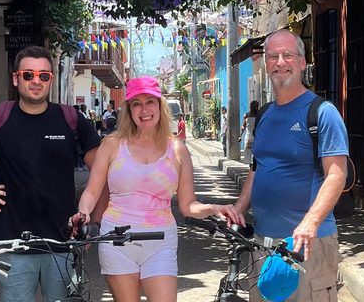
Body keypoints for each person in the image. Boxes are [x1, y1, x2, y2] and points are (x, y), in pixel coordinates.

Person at [0, 46, 102, 302]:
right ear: (16, 78)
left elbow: (102, 173)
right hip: (11, 244)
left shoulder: (71, 120)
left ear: (50, 79)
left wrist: (93, 222)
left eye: (43, 75)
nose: (36, 81)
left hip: (60, 243)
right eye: (28, 75)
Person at [73, 76, 243, 302]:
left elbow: (187, 205)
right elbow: (92, 191)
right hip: (117, 239)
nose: (144, 109)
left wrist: (213, 207)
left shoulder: (177, 149)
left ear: (160, 106)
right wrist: (83, 214)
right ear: (129, 109)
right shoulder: (113, 144)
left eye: (150, 102)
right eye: (137, 103)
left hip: (161, 241)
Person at [234, 30, 349, 302]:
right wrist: (238, 209)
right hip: (262, 241)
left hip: (308, 243)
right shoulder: (264, 114)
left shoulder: (322, 112)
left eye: (288, 55)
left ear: (302, 62)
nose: (280, 62)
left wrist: (310, 222)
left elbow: (337, 174)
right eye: (273, 56)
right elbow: (257, 168)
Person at [240, 100, 259, 165]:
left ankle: (251, 167)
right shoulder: (259, 115)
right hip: (257, 137)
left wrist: (240, 136)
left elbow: (243, 127)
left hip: (248, 137)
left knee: (248, 155)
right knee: (256, 154)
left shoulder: (246, 115)